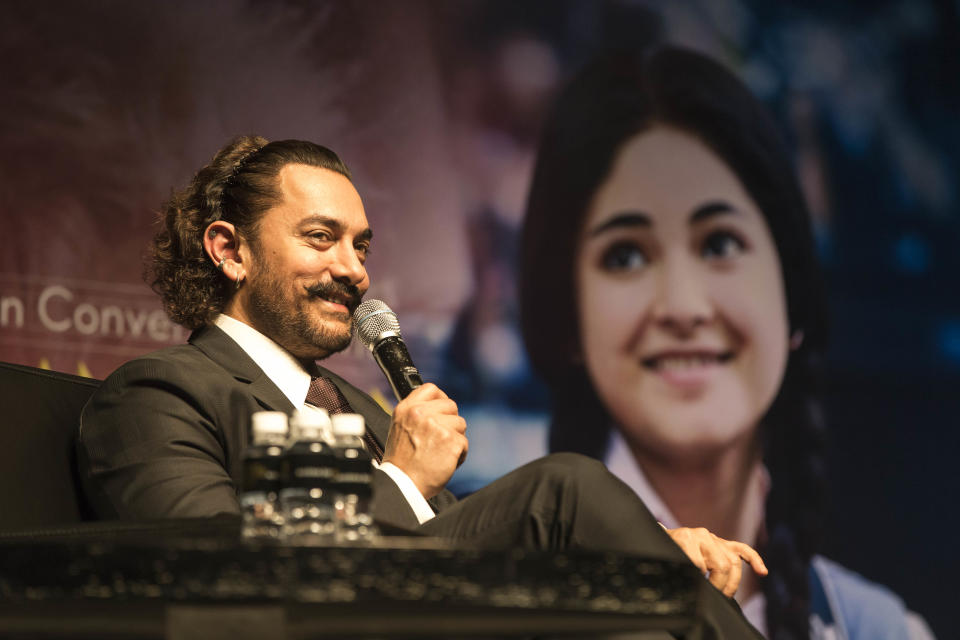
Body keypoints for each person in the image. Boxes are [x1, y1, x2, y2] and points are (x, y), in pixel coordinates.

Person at [77, 135, 769, 637]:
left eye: (362, 246)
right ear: (230, 251)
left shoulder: (364, 412)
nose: (354, 271)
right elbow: (211, 578)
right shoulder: (159, 395)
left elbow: (479, 545)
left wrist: (637, 554)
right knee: (562, 488)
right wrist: (401, 480)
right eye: (322, 238)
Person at [518, 47, 934, 640]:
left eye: (719, 244)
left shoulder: (878, 629)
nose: (684, 307)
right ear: (569, 318)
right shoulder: (490, 600)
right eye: (626, 255)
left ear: (790, 294)